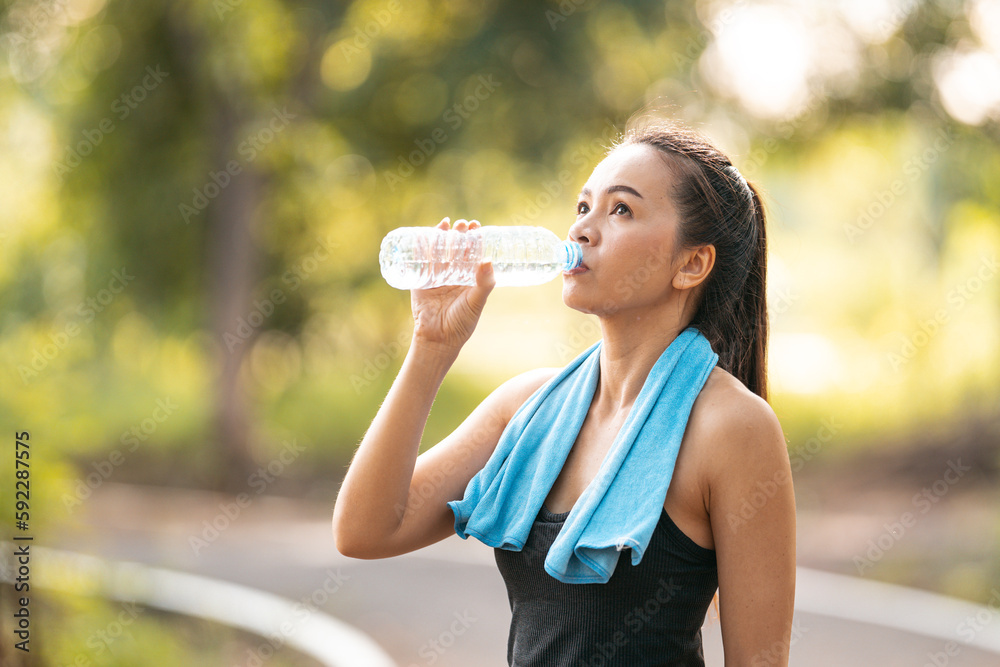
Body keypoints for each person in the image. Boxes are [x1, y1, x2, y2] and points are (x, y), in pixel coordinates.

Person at [332, 118, 796, 666]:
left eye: (620, 210)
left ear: (691, 264)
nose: (581, 230)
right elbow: (364, 530)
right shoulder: (527, 408)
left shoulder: (731, 427)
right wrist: (431, 346)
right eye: (582, 207)